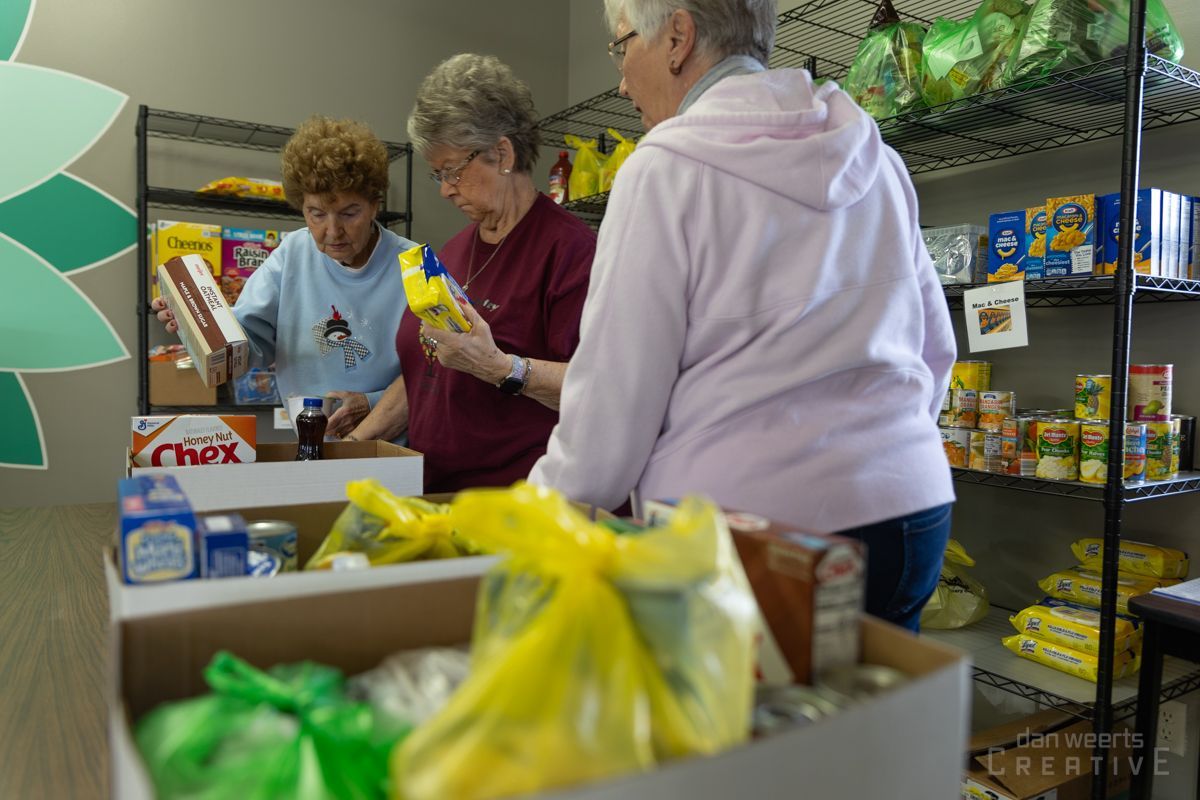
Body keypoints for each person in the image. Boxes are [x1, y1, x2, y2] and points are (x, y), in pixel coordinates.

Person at [528, 0, 957, 632]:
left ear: (678, 36)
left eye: (623, 47)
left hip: (752, 539)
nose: (621, 80)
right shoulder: (873, 154)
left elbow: (614, 404)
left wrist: (538, 510)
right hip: (908, 510)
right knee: (870, 725)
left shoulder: (664, 169)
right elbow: (933, 347)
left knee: (745, 731)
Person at [347, 54, 596, 492]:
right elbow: (427, 375)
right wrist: (350, 446)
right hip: (436, 496)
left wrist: (500, 367)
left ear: (501, 153)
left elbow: (597, 390)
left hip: (515, 506)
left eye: (453, 171)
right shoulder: (455, 250)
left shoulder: (571, 253)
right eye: (437, 174)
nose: (445, 189)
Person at [152, 116, 416, 438]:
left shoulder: (414, 266)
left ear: (375, 206)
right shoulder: (292, 253)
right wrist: (200, 326)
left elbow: (436, 373)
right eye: (316, 214)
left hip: (395, 446)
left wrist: (371, 403)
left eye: (349, 213)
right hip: (313, 442)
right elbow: (248, 344)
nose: (332, 232)